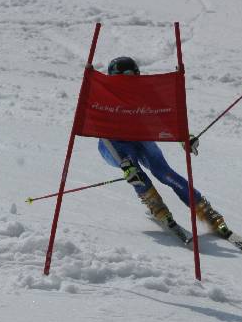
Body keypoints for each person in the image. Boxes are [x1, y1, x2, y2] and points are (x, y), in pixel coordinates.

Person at [98, 56, 232, 238]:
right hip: (113, 144)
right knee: (135, 173)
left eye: (133, 74)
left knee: (164, 172)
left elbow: (166, 118)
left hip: (140, 139)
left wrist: (184, 138)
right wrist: (123, 163)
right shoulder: (106, 97)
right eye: (123, 76)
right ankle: (158, 208)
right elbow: (101, 132)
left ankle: (205, 211)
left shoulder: (144, 94)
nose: (129, 79)